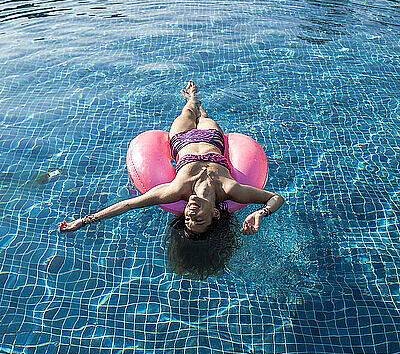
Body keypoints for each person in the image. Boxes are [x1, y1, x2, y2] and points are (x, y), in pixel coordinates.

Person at [59, 80, 285, 278]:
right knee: (203, 115)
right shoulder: (229, 189)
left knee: (188, 111)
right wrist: (260, 212)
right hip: (213, 139)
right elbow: (276, 198)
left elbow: (128, 204)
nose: (189, 214)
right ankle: (195, 99)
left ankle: (190, 99)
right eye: (197, 220)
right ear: (215, 214)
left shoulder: (177, 190)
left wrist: (84, 221)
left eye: (187, 220)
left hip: (180, 140)